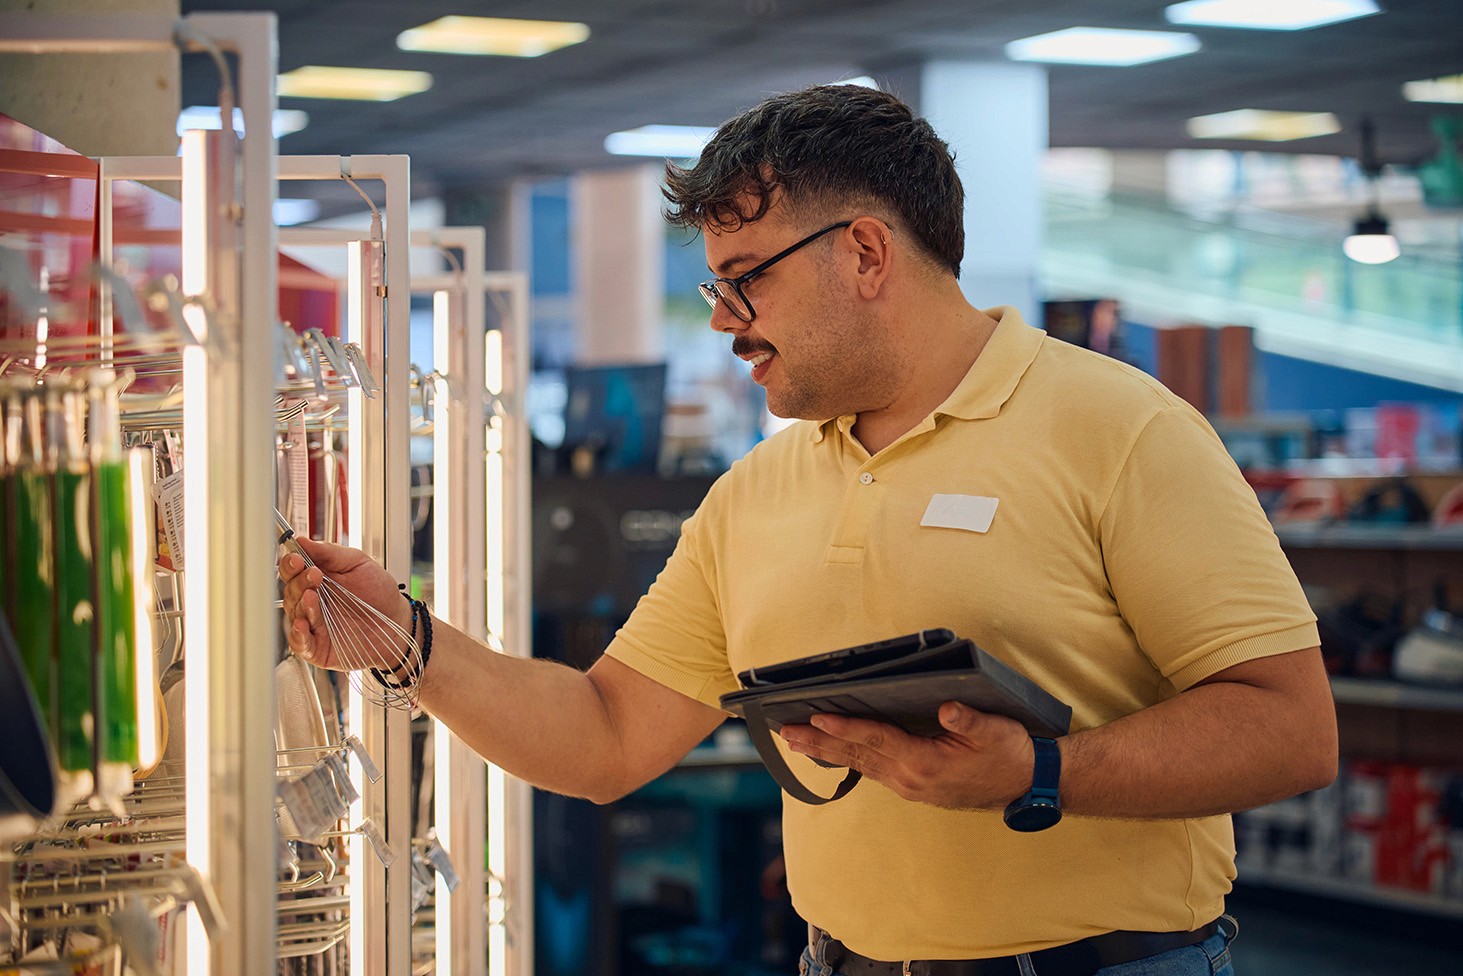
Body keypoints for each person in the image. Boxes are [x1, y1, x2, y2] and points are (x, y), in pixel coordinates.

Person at [280, 84, 1337, 976]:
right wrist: (402, 639)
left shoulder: (1122, 429)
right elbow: (603, 736)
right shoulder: (755, 492)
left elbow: (1290, 729)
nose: (720, 319)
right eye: (713, 285)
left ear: (865, 252)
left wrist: (1039, 771)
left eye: (744, 281)